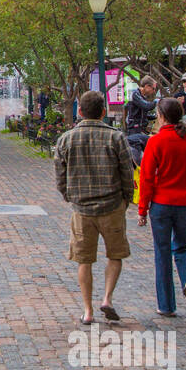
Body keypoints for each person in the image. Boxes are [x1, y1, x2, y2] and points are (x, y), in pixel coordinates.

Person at [53, 90, 136, 326]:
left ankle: (88, 310)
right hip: (112, 205)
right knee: (115, 254)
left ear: (79, 111)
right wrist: (126, 199)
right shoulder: (116, 138)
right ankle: (107, 298)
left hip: (82, 209)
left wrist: (69, 196)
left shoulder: (67, 139)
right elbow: (126, 173)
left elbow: (60, 175)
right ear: (103, 112)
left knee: (84, 260)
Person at [137, 98, 186, 316]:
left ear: (161, 116)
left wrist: (142, 209)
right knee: (183, 247)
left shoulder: (156, 142)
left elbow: (147, 177)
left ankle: (166, 305)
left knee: (162, 252)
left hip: (162, 204)